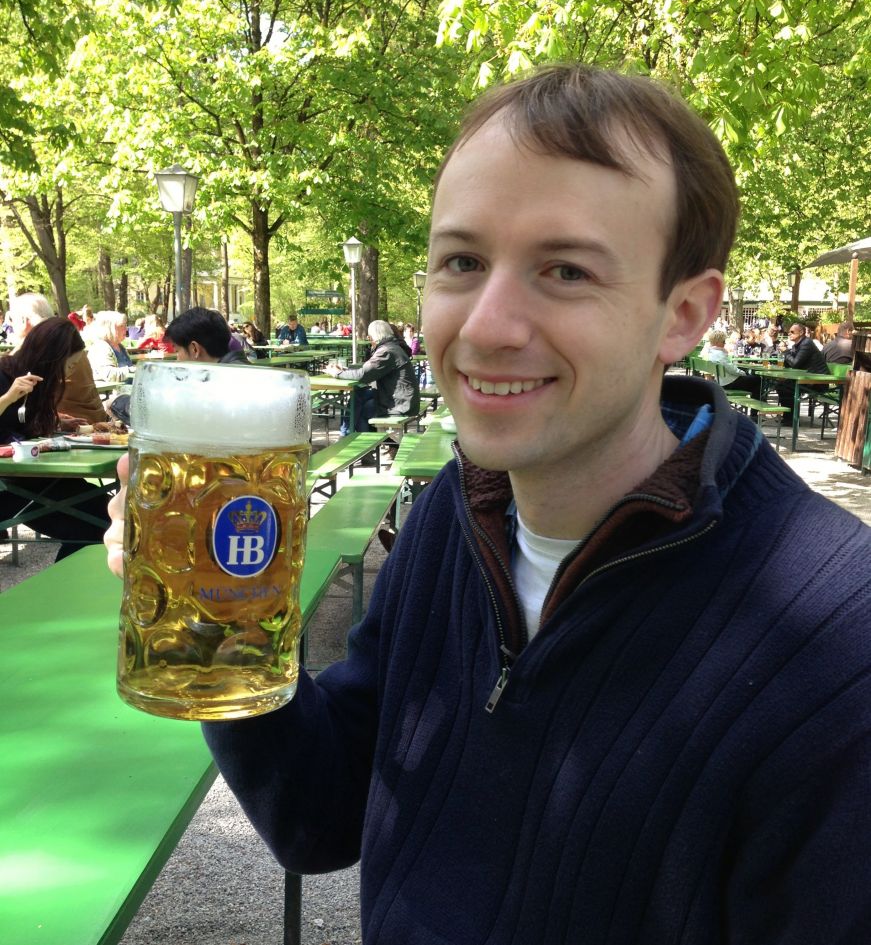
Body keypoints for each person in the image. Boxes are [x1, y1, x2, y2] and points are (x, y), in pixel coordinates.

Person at [106, 65, 871, 942]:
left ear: (682, 314)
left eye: (566, 270)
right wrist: (215, 627)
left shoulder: (836, 647)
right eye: (462, 261)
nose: (488, 323)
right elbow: (320, 816)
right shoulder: (451, 517)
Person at [1, 317, 110, 560]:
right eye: (68, 366)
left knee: (112, 518)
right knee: (95, 528)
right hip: (11, 487)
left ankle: (72, 589)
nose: (69, 373)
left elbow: (24, 423)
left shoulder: (41, 384)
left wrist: (58, 421)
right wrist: (8, 397)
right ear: (51, 358)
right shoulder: (5, 373)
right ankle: (67, 590)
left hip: (41, 478)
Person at [8, 292, 109, 425]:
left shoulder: (45, 346)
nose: (11, 326)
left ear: (22, 320)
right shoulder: (67, 339)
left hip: (72, 424)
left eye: (12, 320)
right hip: (94, 418)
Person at [325, 319, 419, 434]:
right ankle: (346, 434)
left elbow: (363, 375)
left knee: (362, 411)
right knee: (358, 395)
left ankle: (359, 443)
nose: (369, 340)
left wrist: (337, 373)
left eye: (369, 337)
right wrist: (345, 371)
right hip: (398, 398)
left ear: (375, 336)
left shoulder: (386, 351)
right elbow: (368, 370)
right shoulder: (392, 347)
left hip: (400, 404)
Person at [775, 322, 830, 425]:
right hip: (807, 378)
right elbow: (791, 363)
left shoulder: (806, 344)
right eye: (788, 332)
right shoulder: (798, 344)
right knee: (781, 384)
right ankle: (788, 417)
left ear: (800, 332)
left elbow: (795, 364)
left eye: (792, 332)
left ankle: (791, 419)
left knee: (786, 386)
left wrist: (786, 352)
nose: (789, 334)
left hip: (818, 381)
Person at [164, 307, 250, 364]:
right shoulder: (239, 372)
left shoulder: (221, 384)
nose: (177, 360)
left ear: (194, 349)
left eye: (177, 351)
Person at [704, 330, 762, 402]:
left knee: (751, 379)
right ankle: (755, 408)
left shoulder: (711, 353)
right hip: (729, 383)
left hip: (721, 382)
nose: (725, 343)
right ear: (717, 342)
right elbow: (732, 370)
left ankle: (752, 405)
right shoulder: (719, 354)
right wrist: (743, 373)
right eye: (723, 341)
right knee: (757, 379)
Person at [86, 311, 134, 382]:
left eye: (125, 325)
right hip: (111, 392)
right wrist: (132, 370)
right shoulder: (100, 348)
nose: (126, 329)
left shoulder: (120, 347)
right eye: (121, 326)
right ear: (109, 328)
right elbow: (109, 375)